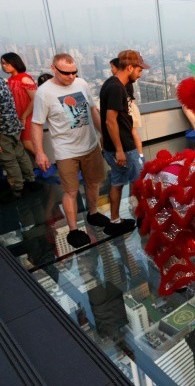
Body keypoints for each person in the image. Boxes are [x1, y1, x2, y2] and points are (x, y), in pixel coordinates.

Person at [31, 53, 109, 248]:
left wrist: (103, 134)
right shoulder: (44, 92)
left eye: (74, 72)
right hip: (66, 151)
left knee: (93, 183)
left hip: (90, 145)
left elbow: (93, 111)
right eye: (66, 73)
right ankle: (73, 230)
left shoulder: (81, 84)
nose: (71, 77)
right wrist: (40, 152)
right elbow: (37, 124)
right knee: (71, 191)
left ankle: (93, 213)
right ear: (53, 69)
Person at [99, 50, 148, 235]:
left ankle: (114, 220)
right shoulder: (116, 87)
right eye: (139, 69)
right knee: (139, 184)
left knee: (117, 182)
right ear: (129, 67)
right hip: (124, 147)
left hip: (115, 147)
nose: (140, 74)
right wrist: (119, 150)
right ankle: (144, 220)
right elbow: (110, 120)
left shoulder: (114, 85)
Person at [0, 78, 40, 201]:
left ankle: (17, 189)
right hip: (14, 125)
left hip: (2, 129)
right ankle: (31, 181)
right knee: (20, 154)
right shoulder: (2, 81)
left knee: (9, 160)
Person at [1, 52, 37, 156]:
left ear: (14, 62)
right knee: (22, 144)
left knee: (27, 143)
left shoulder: (24, 78)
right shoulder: (9, 80)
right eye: (2, 63)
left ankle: (46, 165)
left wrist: (24, 116)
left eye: (7, 63)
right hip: (17, 117)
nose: (4, 66)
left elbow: (35, 99)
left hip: (28, 116)